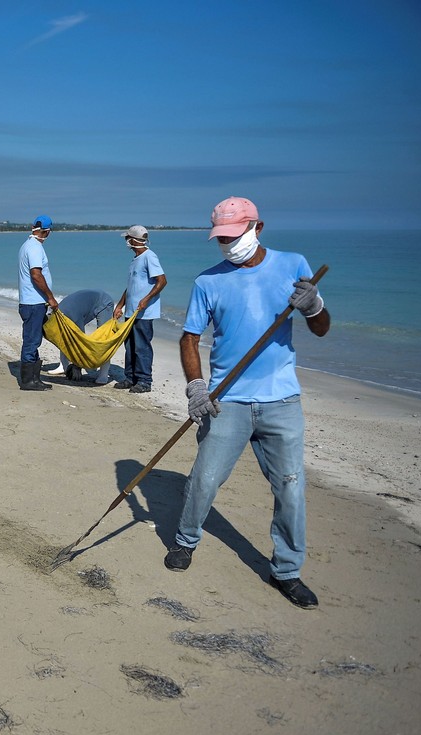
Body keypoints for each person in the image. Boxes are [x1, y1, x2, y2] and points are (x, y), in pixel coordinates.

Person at [165, 197, 330, 610]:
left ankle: (287, 571)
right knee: (204, 479)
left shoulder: (293, 265)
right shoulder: (208, 282)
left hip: (281, 401)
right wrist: (197, 388)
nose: (227, 244)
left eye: (233, 236)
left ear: (258, 227)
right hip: (227, 401)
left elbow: (322, 328)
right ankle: (186, 541)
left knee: (291, 490)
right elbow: (189, 338)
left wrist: (315, 305)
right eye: (221, 238)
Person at [113, 225, 167, 393]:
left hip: (144, 312)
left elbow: (162, 281)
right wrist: (120, 305)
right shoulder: (135, 260)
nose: (126, 241)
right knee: (129, 346)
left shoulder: (149, 257)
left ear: (133, 240)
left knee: (142, 347)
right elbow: (130, 286)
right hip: (130, 312)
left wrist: (146, 299)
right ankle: (130, 378)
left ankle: (144, 381)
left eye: (127, 238)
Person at [17, 215, 59, 390]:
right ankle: (28, 381)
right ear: (47, 232)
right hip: (33, 303)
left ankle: (34, 377)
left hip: (31, 302)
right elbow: (36, 274)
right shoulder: (34, 248)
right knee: (32, 340)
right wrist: (50, 297)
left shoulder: (27, 245)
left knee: (34, 339)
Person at [52, 289, 115, 384]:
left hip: (104, 302)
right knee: (64, 334)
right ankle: (63, 366)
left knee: (104, 337)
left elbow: (81, 341)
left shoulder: (74, 317)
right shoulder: (56, 314)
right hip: (83, 303)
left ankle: (103, 374)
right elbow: (62, 336)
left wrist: (77, 366)